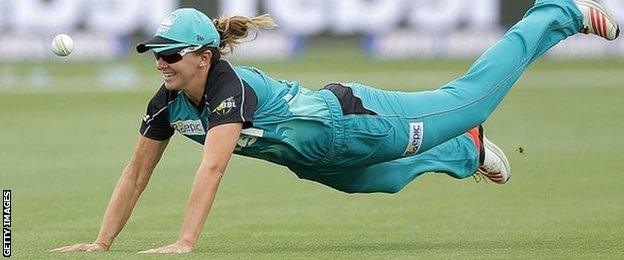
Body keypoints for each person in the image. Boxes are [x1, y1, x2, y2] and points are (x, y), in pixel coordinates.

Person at [51, 0, 619, 254]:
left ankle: (555, 13)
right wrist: (102, 245)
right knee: (378, 183)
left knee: (468, 100)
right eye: (156, 53)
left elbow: (214, 165)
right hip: (314, 161)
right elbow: (134, 173)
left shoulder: (229, 87)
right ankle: (464, 155)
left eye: (171, 55)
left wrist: (183, 243)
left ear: (204, 54)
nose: (161, 62)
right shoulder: (166, 103)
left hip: (355, 122)